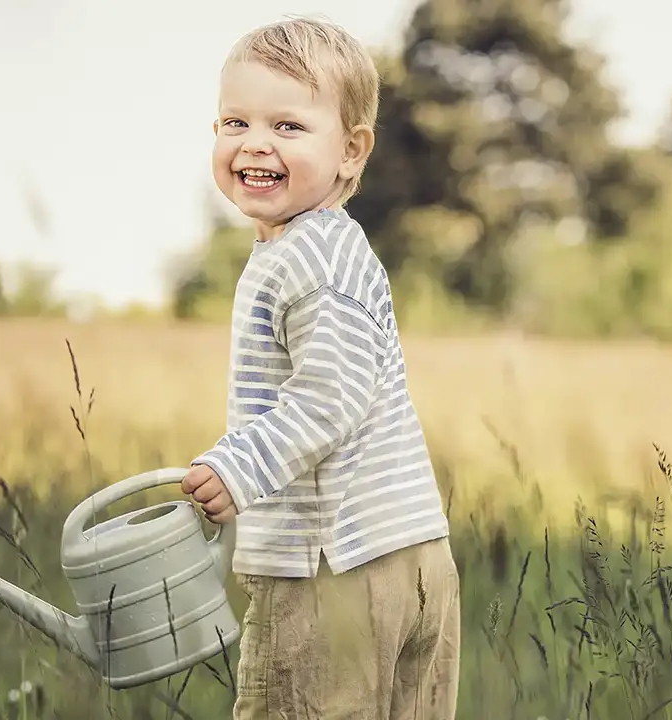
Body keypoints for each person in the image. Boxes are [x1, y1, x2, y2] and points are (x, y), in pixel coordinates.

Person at [181, 16, 460, 719]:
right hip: (411, 553)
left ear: (351, 152)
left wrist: (240, 469)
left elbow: (332, 397)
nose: (254, 144)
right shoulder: (329, 247)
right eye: (233, 121)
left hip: (332, 567)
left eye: (288, 126)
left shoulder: (308, 258)